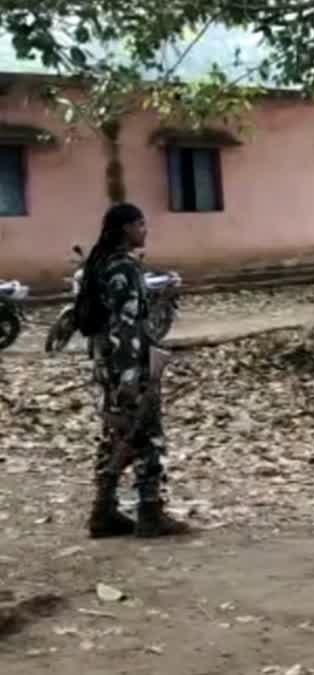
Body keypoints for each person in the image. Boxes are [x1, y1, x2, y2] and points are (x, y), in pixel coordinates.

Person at [82, 202, 189, 539]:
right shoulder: (124, 269)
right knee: (147, 432)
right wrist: (131, 376)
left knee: (115, 433)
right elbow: (126, 325)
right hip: (128, 364)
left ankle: (104, 510)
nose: (145, 230)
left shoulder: (99, 265)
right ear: (126, 229)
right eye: (140, 224)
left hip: (104, 364)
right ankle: (149, 511)